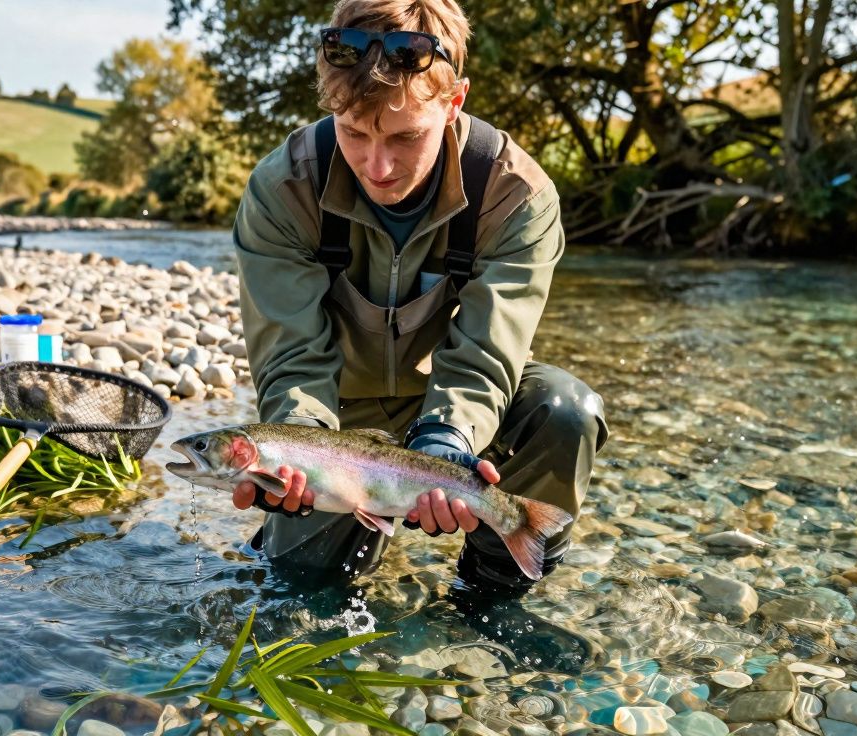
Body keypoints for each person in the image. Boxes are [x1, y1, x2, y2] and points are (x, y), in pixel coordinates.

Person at [231, 0, 609, 603]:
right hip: (338, 428)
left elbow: (488, 352)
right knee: (302, 595)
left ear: (454, 101)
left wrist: (447, 441)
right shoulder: (284, 189)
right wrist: (298, 445)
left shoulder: (516, 194)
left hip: (458, 415)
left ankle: (487, 596)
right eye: (354, 133)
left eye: (405, 137)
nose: (377, 167)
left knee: (565, 410)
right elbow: (292, 359)